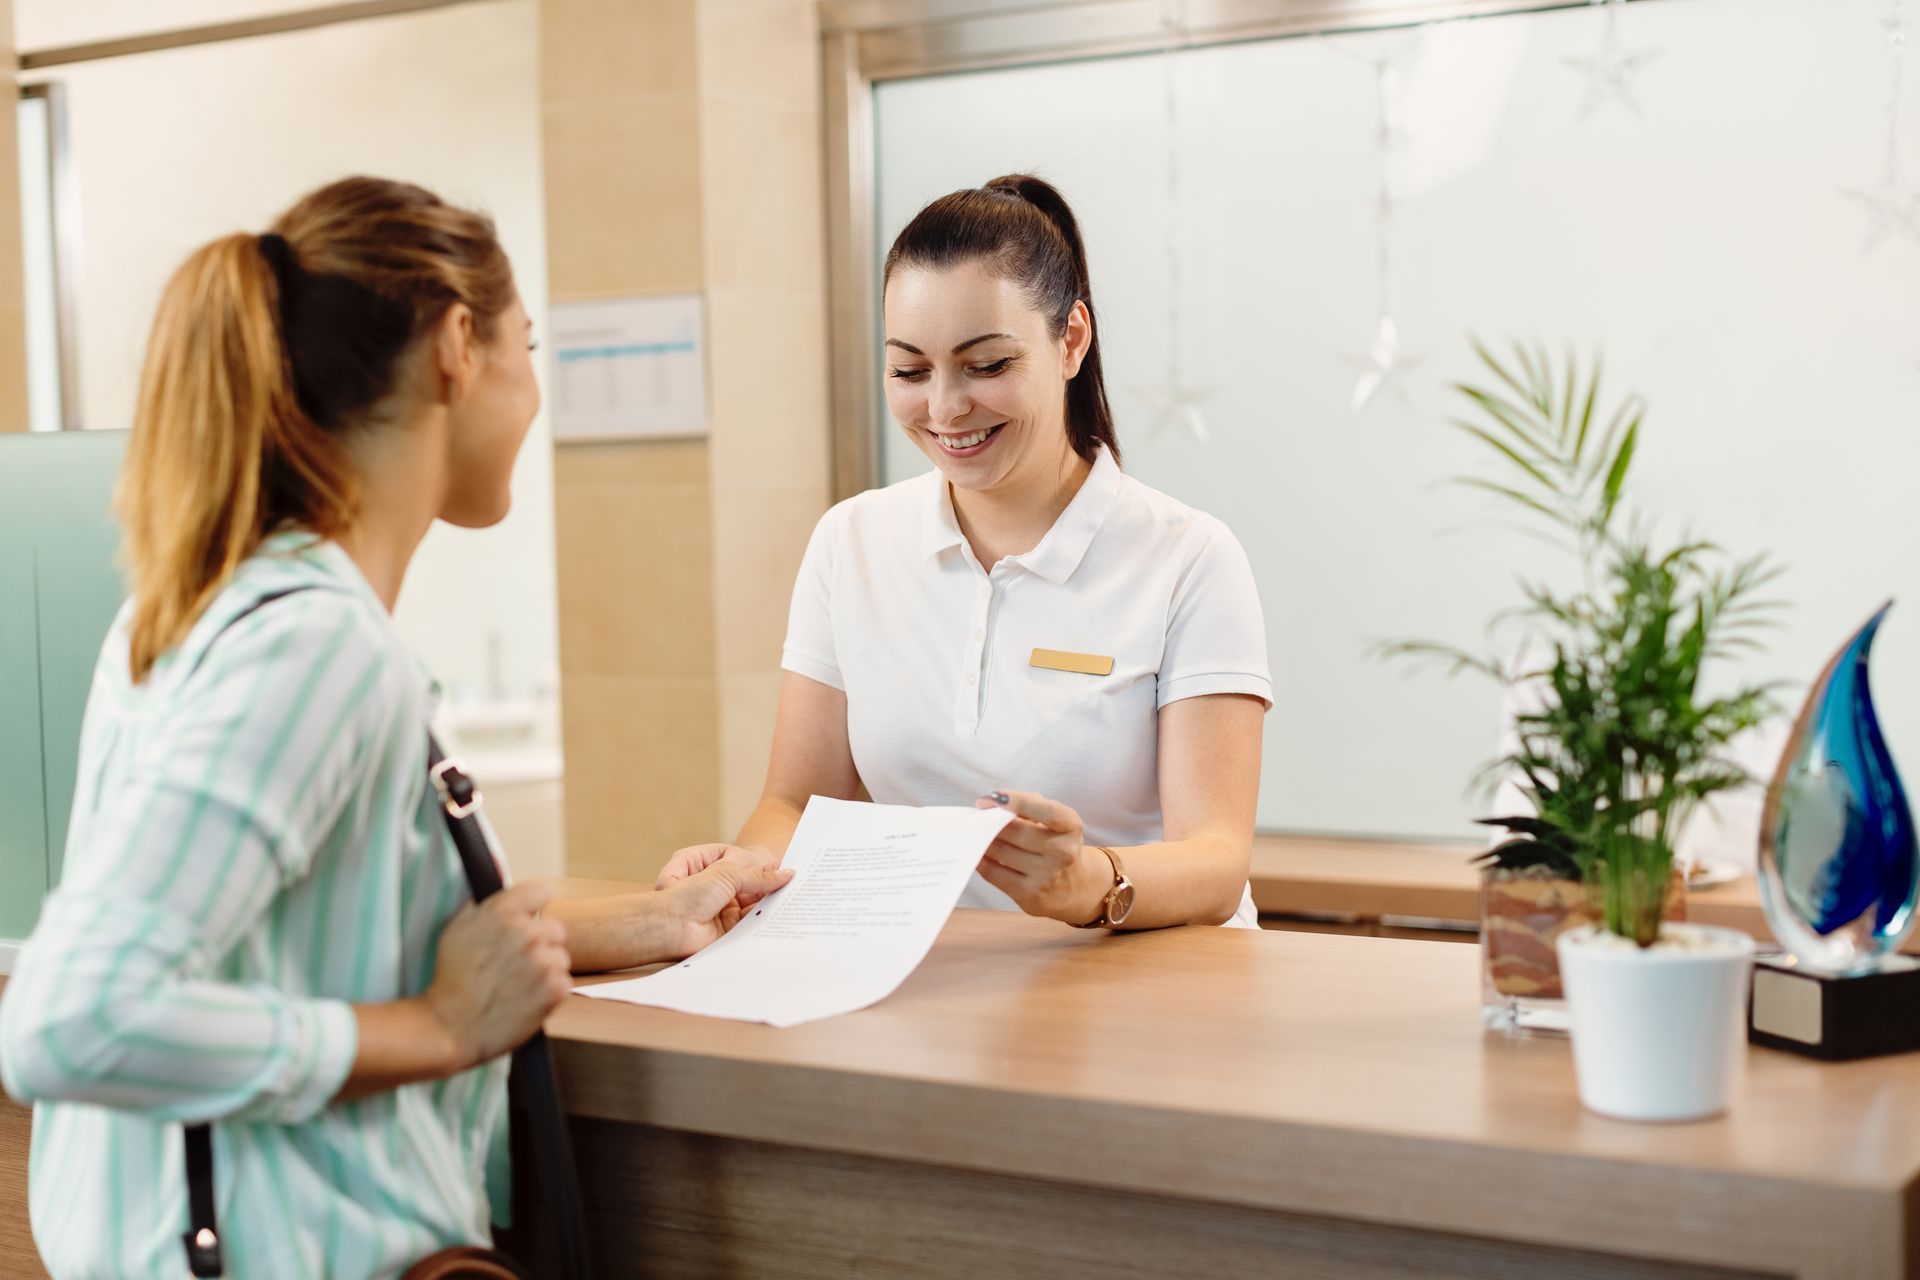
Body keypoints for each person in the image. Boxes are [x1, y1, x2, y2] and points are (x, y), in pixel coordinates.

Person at [0, 176, 787, 1279]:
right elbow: (71, 1019)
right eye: (529, 347)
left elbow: (307, 931)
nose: (534, 393)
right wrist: (441, 1028)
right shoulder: (312, 647)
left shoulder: (202, 605)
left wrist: (649, 921)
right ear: (459, 348)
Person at [664, 174, 1270, 930]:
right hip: (931, 983)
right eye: (910, 371)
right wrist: (736, 874)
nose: (946, 408)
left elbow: (1216, 858)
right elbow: (794, 803)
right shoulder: (849, 543)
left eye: (987, 366)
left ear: (1070, 341)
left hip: (1151, 985)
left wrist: (1092, 883)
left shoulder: (1188, 558)